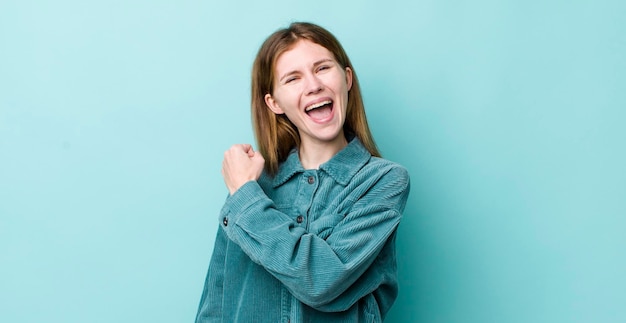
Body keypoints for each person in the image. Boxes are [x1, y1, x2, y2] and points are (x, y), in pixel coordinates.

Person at [195, 22, 410, 322]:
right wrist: (245, 192)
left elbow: (324, 280)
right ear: (274, 103)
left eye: (322, 68)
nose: (313, 85)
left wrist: (246, 199)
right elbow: (216, 303)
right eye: (293, 78)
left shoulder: (383, 182)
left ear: (346, 78)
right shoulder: (251, 185)